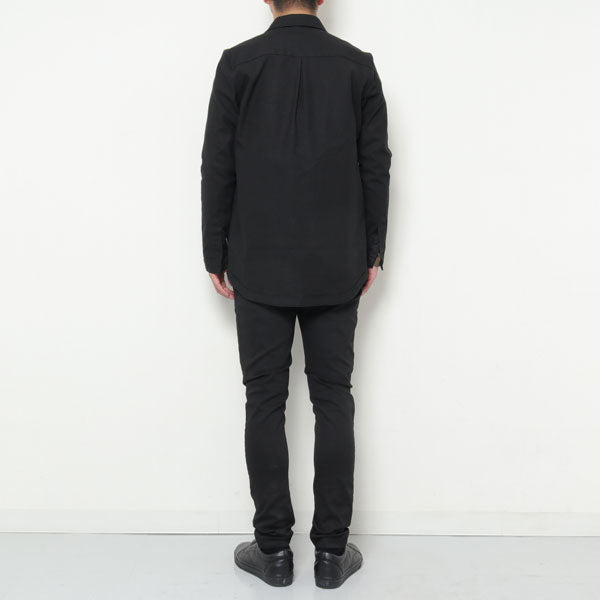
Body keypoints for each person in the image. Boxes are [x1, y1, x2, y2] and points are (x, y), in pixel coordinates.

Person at [200, 0, 391, 589]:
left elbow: (217, 165)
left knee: (264, 400)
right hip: (337, 262)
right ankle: (332, 554)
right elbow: (375, 167)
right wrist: (373, 251)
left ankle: (273, 552)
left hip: (258, 260)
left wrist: (213, 253)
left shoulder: (238, 64)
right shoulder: (357, 66)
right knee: (334, 398)